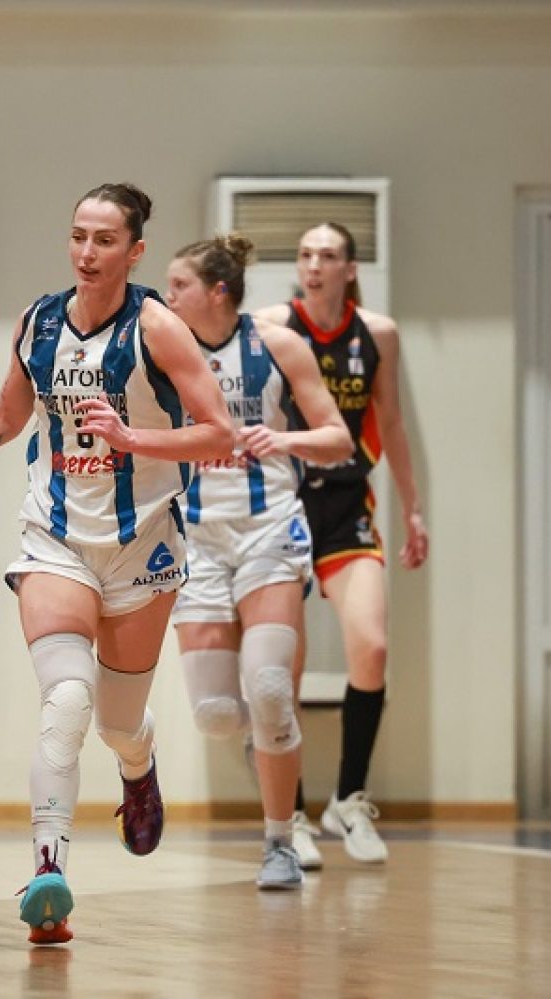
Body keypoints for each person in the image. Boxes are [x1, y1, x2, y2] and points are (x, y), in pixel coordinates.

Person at [0, 183, 234, 945]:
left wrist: (134, 439)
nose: (87, 253)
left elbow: (219, 434)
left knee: (118, 721)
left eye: (105, 240)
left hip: (141, 541)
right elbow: (4, 420)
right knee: (67, 700)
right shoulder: (38, 322)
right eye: (78, 236)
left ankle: (138, 762)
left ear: (135, 252)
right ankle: (48, 873)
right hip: (55, 537)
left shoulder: (159, 330)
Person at [162, 236, 351, 889]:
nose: (167, 297)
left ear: (218, 291)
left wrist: (285, 437)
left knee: (270, 691)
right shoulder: (161, 349)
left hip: (269, 528)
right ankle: (268, 738)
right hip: (196, 536)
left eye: (179, 285)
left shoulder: (277, 345)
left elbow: (338, 439)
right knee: (217, 713)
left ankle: (280, 843)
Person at [254, 221, 429, 866]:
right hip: (284, 505)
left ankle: (349, 800)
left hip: (349, 505)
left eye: (327, 255)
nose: (314, 265)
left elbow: (392, 422)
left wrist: (413, 508)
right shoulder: (273, 325)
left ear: (350, 268)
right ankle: (292, 814)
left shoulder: (378, 333)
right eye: (306, 255)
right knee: (285, 670)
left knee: (372, 648)